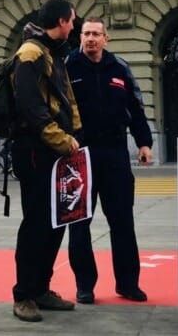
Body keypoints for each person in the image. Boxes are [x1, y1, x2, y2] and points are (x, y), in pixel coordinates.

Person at [65, 17, 153, 305]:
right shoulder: (67, 68)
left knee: (123, 222)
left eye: (96, 34)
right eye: (86, 34)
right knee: (79, 224)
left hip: (115, 154)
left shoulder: (120, 68)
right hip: (79, 155)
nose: (90, 38)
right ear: (80, 37)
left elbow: (136, 108)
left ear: (106, 38)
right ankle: (84, 286)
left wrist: (144, 143)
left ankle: (129, 284)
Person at [11, 0, 82, 323]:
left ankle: (41, 288)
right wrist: (61, 139)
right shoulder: (30, 53)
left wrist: (75, 137)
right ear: (62, 20)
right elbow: (30, 107)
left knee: (55, 223)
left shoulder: (54, 53)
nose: (74, 25)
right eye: (72, 20)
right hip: (36, 151)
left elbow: (64, 101)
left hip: (57, 153)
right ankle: (24, 294)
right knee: (35, 224)